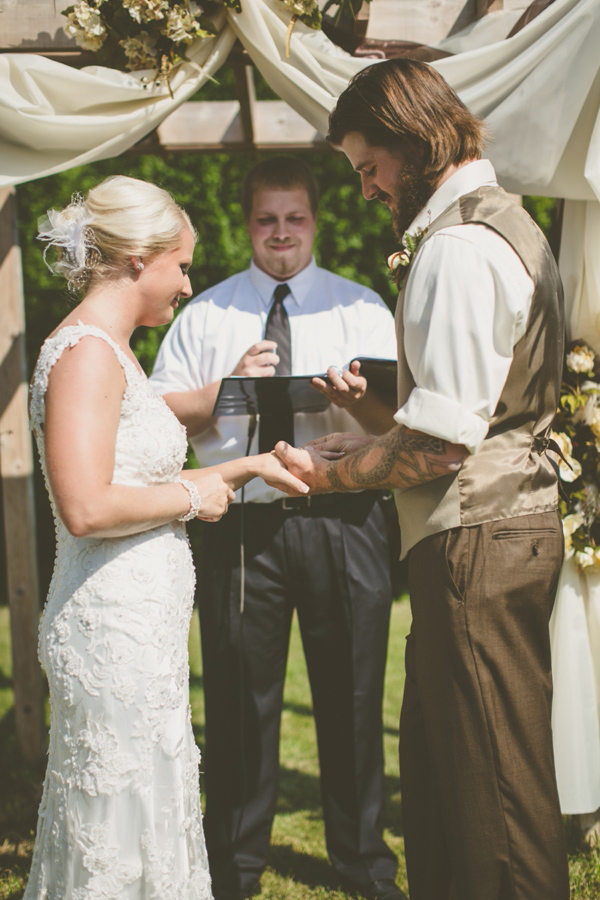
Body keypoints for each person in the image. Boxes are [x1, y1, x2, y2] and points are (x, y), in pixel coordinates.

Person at [275, 60, 571, 900]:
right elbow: (459, 410)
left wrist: (329, 475)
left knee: (494, 795)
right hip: (483, 533)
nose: (367, 189)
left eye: (371, 167)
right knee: (450, 777)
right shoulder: (494, 225)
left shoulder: (459, 249)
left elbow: (440, 447)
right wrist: (367, 435)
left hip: (478, 539)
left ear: (417, 139)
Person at [25, 175, 308, 900]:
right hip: (107, 628)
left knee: (151, 810)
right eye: (181, 265)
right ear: (137, 260)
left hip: (139, 629)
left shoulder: (113, 353)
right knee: (115, 824)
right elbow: (85, 505)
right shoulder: (87, 354)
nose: (186, 283)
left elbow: (153, 433)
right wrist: (194, 492)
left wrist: (248, 465)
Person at [150, 156, 404, 900]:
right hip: (241, 526)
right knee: (237, 700)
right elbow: (155, 415)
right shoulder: (207, 315)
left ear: (316, 221)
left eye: (295, 218)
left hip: (346, 520)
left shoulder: (361, 309)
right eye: (266, 219)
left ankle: (362, 861)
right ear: (249, 222)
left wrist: (360, 403)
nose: (281, 233)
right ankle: (234, 866)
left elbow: (404, 425)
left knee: (355, 698)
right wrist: (225, 388)